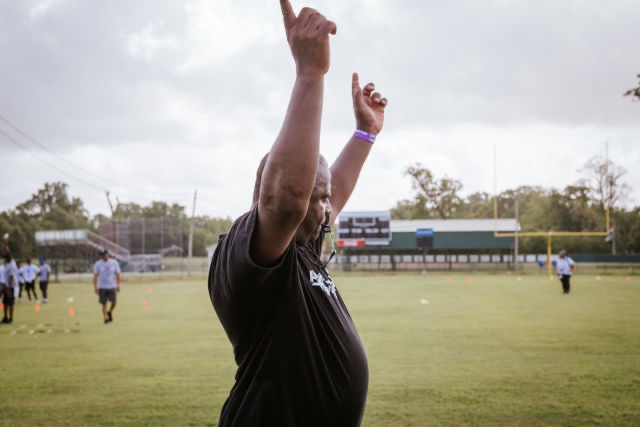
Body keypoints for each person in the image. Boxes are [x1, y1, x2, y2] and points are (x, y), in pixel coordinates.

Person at [208, 1, 388, 425]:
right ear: (267, 192)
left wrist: (365, 133)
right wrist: (311, 74)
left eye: (326, 198)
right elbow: (288, 197)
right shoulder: (250, 257)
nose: (329, 209)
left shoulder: (305, 243)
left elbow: (324, 194)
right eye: (317, 196)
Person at [93, 249, 121, 324]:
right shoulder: (98, 264)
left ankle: (109, 312)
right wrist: (95, 287)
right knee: (104, 303)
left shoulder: (114, 262)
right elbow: (95, 276)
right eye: (101, 255)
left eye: (104, 254)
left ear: (107, 254)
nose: (103, 256)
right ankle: (105, 318)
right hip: (102, 286)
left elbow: (118, 274)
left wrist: (118, 285)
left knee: (114, 302)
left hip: (112, 286)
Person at [2, 253, 19, 324]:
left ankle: (11, 319)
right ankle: (5, 317)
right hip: (6, 286)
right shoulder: (7, 264)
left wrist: (8, 289)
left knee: (10, 303)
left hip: (11, 287)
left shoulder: (12, 265)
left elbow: (11, 278)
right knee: (5, 303)